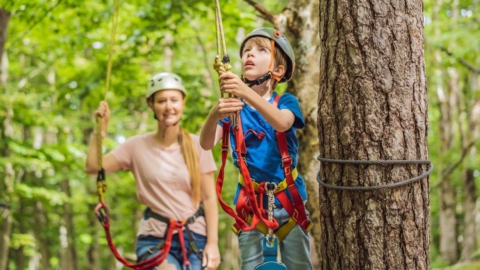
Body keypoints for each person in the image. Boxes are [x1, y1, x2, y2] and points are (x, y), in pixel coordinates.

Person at [200, 28, 313, 269]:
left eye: (261, 50)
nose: (250, 54)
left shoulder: (285, 102)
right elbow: (207, 143)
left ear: (278, 71)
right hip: (250, 205)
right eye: (247, 51)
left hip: (289, 201)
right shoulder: (234, 108)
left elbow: (282, 123)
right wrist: (214, 114)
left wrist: (244, 93)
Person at [85, 72, 221, 270]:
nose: (169, 106)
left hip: (196, 239)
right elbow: (92, 167)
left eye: (174, 100)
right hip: (154, 238)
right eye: (161, 101)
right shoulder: (135, 146)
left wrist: (213, 244)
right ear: (151, 105)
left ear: (183, 102)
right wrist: (101, 129)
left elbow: (209, 198)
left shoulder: (198, 144)